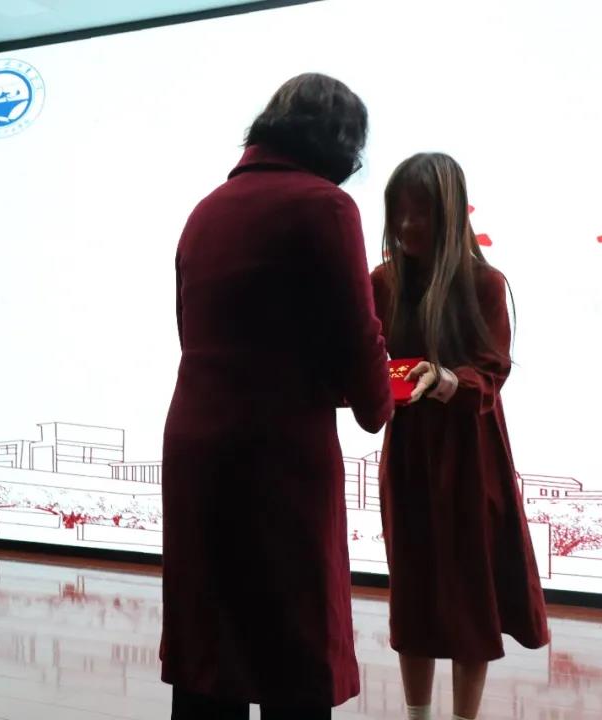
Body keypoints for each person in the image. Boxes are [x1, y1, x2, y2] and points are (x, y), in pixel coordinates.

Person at [160, 73, 394, 720]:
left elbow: (192, 328)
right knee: (294, 647)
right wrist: (379, 402)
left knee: (210, 649)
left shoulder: (206, 208)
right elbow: (356, 332)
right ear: (342, 142)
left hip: (196, 443)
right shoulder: (325, 206)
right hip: (278, 451)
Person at [370, 153, 550, 720]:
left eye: (420, 212)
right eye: (399, 212)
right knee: (413, 592)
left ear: (450, 213)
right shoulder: (382, 282)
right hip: (407, 454)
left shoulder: (485, 284)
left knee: (473, 594)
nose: (406, 226)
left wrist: (447, 380)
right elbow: (367, 360)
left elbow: (493, 370)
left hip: (472, 456)